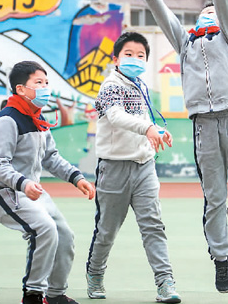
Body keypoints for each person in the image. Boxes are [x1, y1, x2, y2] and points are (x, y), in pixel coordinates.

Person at [121, 0, 228, 294]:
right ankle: (221, 258)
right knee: (214, 196)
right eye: (204, 13)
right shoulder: (186, 44)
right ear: (196, 21)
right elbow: (165, 18)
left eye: (213, 12)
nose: (210, 14)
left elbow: (225, 5)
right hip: (204, 126)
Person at [0, 61, 95, 304]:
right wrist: (23, 184)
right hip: (3, 191)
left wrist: (77, 178)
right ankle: (32, 294)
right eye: (38, 83)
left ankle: (55, 294)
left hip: (30, 189)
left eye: (46, 83)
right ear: (21, 89)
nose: (45, 88)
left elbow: (50, 157)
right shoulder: (7, 120)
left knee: (64, 235)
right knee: (44, 229)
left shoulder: (37, 117)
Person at [85, 32, 181, 304]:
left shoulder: (140, 85)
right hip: (114, 168)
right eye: (129, 54)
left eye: (141, 55)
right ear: (115, 59)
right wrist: (148, 127)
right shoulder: (110, 86)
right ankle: (95, 274)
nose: (135, 59)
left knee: (153, 225)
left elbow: (140, 119)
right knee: (107, 230)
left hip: (144, 167)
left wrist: (157, 130)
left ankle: (165, 283)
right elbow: (116, 116)